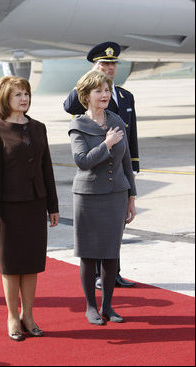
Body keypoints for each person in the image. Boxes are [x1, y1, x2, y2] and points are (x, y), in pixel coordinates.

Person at [0, 76, 59, 341]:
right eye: (17, 95)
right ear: (5, 99)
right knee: (11, 265)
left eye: (26, 93)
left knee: (32, 264)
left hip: (35, 205)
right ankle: (13, 317)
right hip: (8, 210)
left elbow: (46, 168)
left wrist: (52, 205)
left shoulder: (38, 128)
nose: (24, 98)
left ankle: (29, 314)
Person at [63, 41, 139, 289]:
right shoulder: (86, 98)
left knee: (115, 230)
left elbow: (131, 136)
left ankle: (113, 273)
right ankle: (98, 275)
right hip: (95, 177)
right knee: (96, 234)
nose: (109, 68)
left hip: (118, 174)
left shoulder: (126, 97)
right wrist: (89, 77)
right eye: (104, 64)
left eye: (112, 64)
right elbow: (69, 106)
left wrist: (133, 169)